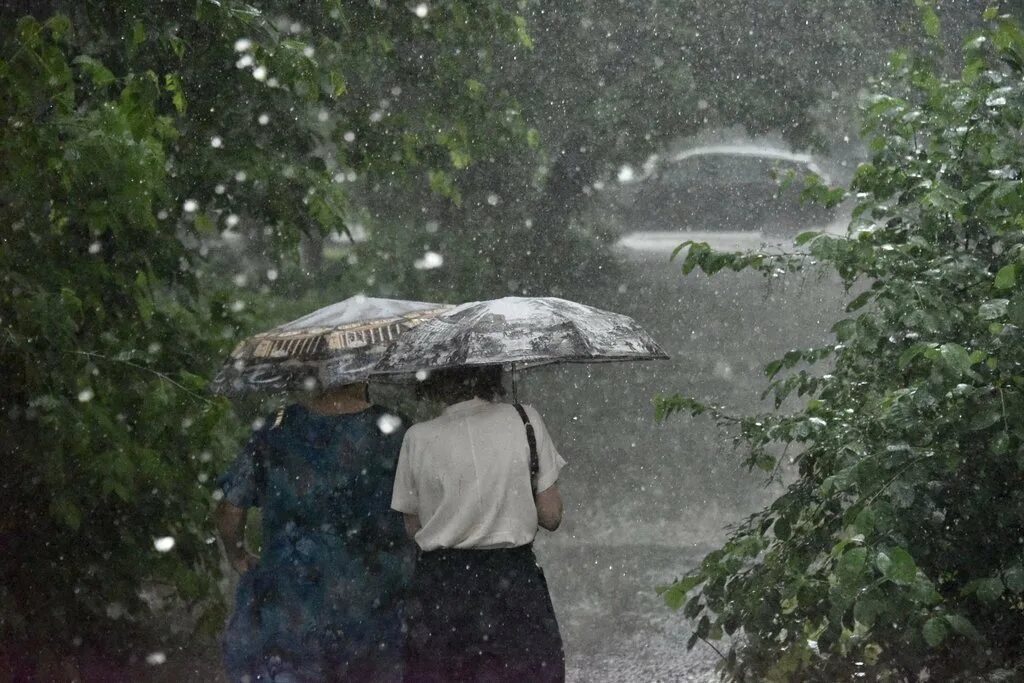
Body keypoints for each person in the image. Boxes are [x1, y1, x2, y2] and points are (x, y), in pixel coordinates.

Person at [215, 382, 412, 682]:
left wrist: (237, 553)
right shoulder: (397, 430)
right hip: (374, 603)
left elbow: (231, 506)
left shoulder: (277, 427)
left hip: (294, 606)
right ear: (364, 372)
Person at [391, 365, 566, 683]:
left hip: (441, 588)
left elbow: (413, 529)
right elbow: (551, 516)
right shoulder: (525, 419)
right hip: (514, 583)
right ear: (494, 372)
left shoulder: (417, 438)